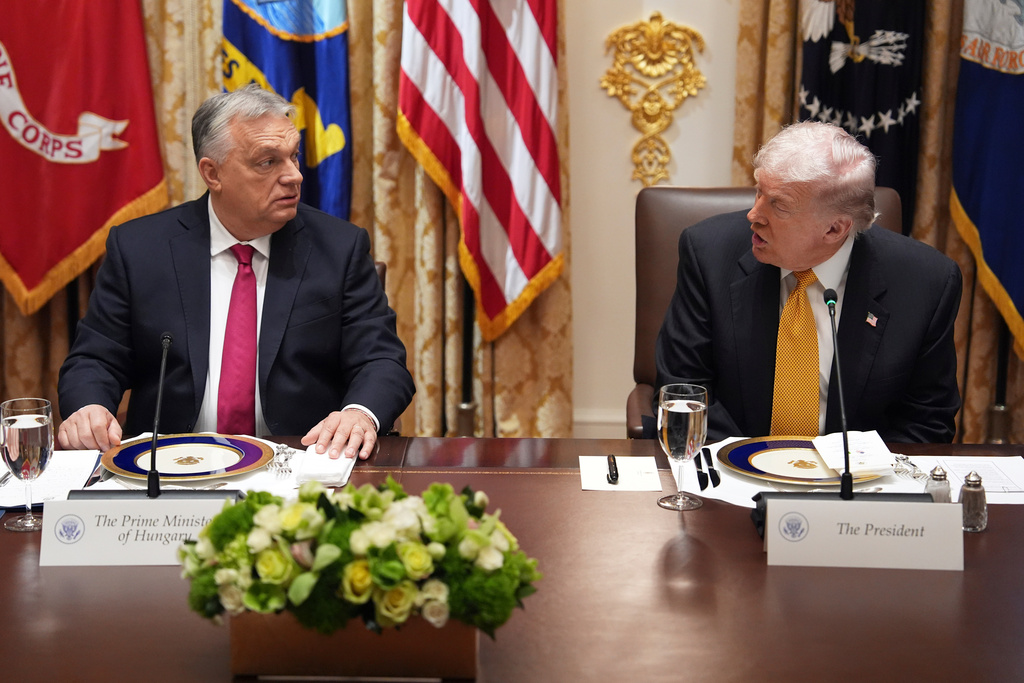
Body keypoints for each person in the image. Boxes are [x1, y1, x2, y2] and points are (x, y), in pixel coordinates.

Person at [58, 84, 414, 459]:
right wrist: (89, 407)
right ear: (213, 174)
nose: (294, 175)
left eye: (293, 157)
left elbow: (381, 360)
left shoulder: (339, 248)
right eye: (268, 162)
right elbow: (95, 359)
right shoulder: (140, 249)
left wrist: (359, 413)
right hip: (171, 471)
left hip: (300, 465)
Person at [655, 121, 961, 443]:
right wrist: (749, 469)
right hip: (734, 474)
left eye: (779, 205)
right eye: (759, 192)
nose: (754, 215)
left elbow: (927, 421)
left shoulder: (926, 283)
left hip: (854, 482)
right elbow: (683, 389)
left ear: (834, 229)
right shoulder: (709, 253)